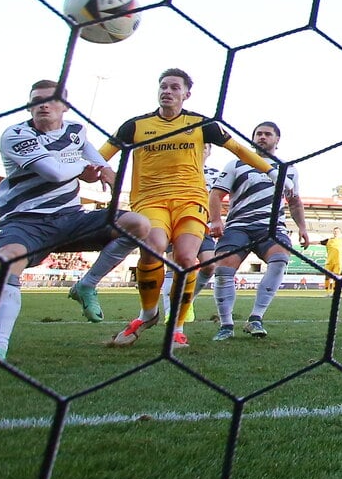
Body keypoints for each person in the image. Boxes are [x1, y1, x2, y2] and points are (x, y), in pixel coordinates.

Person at [100, 69, 294, 349]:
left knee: (187, 258)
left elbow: (239, 149)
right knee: (153, 247)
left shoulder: (202, 124)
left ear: (186, 94)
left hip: (190, 200)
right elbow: (102, 153)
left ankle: (177, 328)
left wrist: (273, 172)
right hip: (149, 199)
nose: (167, 91)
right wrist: (100, 168)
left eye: (174, 87)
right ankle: (148, 314)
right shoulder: (135, 126)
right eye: (163, 86)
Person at [0, 80, 151, 369]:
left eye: (50, 100)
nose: (43, 105)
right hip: (26, 221)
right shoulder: (16, 135)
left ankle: (86, 285)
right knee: (8, 262)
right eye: (36, 100)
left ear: (65, 106)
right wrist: (85, 170)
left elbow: (92, 154)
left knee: (138, 224)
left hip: (71, 219)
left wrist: (105, 170)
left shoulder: (75, 130)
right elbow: (54, 173)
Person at [208, 121, 309, 341]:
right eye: (258, 134)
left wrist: (302, 227)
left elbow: (294, 202)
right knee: (223, 268)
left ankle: (256, 318)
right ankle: (226, 324)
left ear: (277, 139)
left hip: (271, 227)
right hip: (238, 226)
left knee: (280, 257)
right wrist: (215, 220)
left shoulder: (289, 169)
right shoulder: (237, 163)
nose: (262, 137)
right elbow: (216, 194)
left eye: (267, 134)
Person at [160, 143, 219, 322]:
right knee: (174, 266)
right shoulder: (176, 170)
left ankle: (187, 300)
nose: (202, 149)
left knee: (209, 265)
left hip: (203, 227)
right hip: (176, 223)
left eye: (205, 147)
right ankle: (171, 312)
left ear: (209, 151)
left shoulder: (216, 175)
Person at [318, 226, 342, 297]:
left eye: (337, 231)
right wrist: (308, 242)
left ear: (340, 233)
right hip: (329, 261)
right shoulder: (329, 240)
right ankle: (327, 292)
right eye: (335, 231)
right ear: (333, 232)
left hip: (338, 262)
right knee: (327, 277)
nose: (336, 233)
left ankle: (334, 292)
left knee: (336, 277)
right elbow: (319, 242)